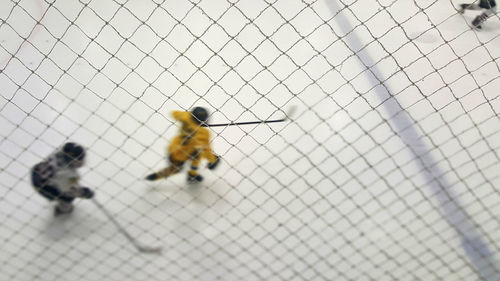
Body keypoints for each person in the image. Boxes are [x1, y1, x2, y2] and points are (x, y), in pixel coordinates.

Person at [145, 107, 220, 183]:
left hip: (174, 147)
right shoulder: (203, 133)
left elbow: (174, 113)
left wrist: (189, 118)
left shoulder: (185, 117)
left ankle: (192, 174)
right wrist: (213, 160)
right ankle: (157, 176)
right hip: (181, 155)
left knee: (196, 154)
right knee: (178, 168)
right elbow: (206, 150)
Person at [31, 142, 94, 216]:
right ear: (71, 161)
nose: (82, 162)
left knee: (64, 184)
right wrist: (83, 193)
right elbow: (71, 189)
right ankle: (62, 211)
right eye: (79, 161)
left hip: (37, 172)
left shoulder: (58, 155)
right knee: (67, 198)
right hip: (42, 186)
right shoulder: (68, 175)